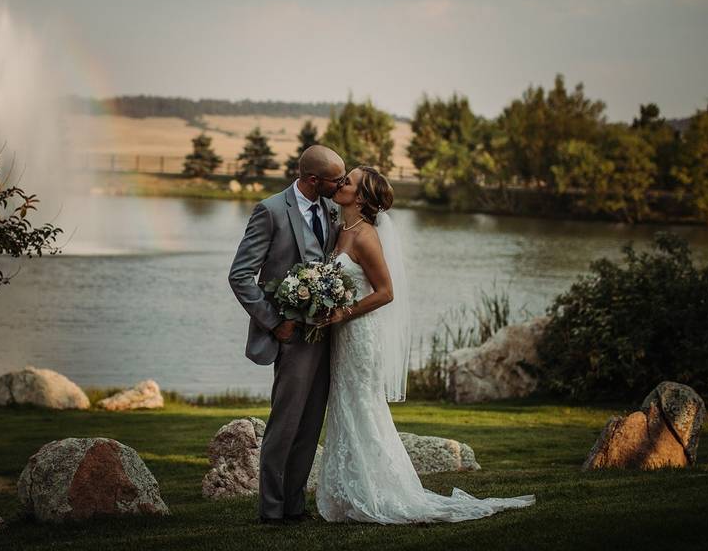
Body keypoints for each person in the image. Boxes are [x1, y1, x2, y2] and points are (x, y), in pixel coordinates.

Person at [314, 166, 536, 524]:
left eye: (348, 182)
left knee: (363, 409)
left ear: (362, 197)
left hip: (360, 335)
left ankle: (380, 493)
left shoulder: (366, 236)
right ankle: (348, 492)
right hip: (343, 337)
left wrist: (345, 313)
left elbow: (386, 293)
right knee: (345, 407)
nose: (340, 184)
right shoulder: (341, 229)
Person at [228, 145, 347, 525]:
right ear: (313, 180)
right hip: (291, 337)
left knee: (311, 423)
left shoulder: (331, 210)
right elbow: (240, 275)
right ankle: (272, 509)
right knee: (285, 424)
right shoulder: (271, 210)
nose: (342, 185)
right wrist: (274, 322)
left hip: (327, 336)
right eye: (336, 179)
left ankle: (295, 505)